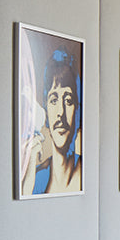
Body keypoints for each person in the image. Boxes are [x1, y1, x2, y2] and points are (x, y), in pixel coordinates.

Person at [21, 48, 81, 195]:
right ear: (46, 110)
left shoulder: (89, 173)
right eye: (54, 100)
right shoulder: (36, 179)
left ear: (77, 109)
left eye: (68, 100)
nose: (60, 112)